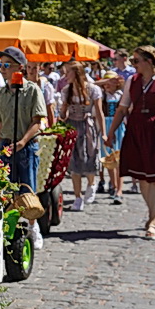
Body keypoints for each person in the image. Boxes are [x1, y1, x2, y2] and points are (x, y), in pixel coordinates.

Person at [107, 45, 155, 239]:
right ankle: (153, 214)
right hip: (136, 130)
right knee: (142, 176)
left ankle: (152, 220)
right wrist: (111, 133)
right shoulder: (132, 81)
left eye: (136, 60)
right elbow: (122, 108)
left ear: (148, 61)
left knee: (154, 177)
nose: (133, 64)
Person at [0, 47, 47, 245]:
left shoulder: (32, 90)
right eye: (1, 65)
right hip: (6, 146)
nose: (2, 68)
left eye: (7, 65)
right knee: (5, 190)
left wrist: (23, 141)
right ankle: (8, 228)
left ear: (19, 67)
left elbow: (37, 122)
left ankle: (33, 227)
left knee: (27, 189)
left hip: (27, 146)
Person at [58, 61, 104, 210]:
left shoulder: (93, 89)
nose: (65, 76)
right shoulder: (66, 90)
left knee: (89, 156)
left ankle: (91, 183)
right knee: (74, 162)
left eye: (68, 73)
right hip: (72, 125)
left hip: (87, 126)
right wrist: (62, 111)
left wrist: (103, 133)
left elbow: (99, 113)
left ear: (77, 73)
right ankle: (78, 197)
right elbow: (63, 114)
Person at [98, 73, 126, 204]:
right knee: (109, 159)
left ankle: (119, 189)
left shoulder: (121, 95)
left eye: (111, 82)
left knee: (119, 158)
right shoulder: (102, 95)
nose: (108, 84)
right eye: (106, 82)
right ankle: (114, 186)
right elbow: (90, 85)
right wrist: (105, 81)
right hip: (106, 125)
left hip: (118, 126)